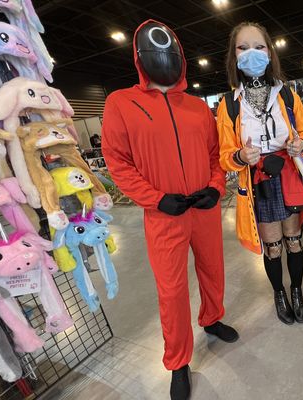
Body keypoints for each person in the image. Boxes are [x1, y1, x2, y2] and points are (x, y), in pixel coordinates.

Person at [101, 20, 238, 400]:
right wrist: (155, 198)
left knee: (213, 269)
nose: (165, 59)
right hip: (164, 214)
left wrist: (216, 186)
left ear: (180, 56)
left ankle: (212, 319)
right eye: (156, 52)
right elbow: (118, 162)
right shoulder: (121, 103)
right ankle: (178, 361)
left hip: (204, 208)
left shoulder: (197, 106)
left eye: (172, 52)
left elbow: (214, 155)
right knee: (172, 289)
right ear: (140, 57)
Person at [216, 22, 303, 325]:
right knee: (273, 246)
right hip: (259, 180)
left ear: (270, 52)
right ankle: (279, 292)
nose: (252, 54)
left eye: (259, 47)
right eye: (243, 48)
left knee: (294, 240)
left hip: (289, 175)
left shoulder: (287, 95)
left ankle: (297, 290)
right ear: (234, 57)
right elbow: (224, 156)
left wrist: (301, 143)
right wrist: (240, 156)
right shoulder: (228, 105)